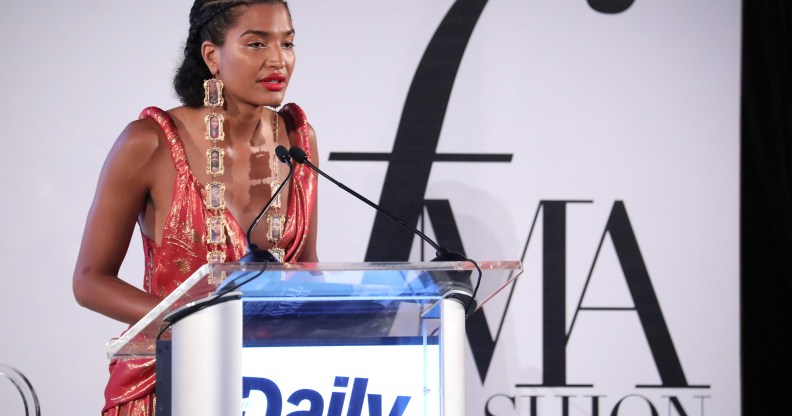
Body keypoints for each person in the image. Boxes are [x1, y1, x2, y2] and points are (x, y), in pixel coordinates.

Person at [72, 1, 319, 414]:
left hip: (271, 386)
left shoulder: (298, 140)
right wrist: (195, 324)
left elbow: (306, 266)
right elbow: (90, 280)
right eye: (256, 44)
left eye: (287, 43)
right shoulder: (146, 142)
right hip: (166, 383)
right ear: (212, 56)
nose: (278, 59)